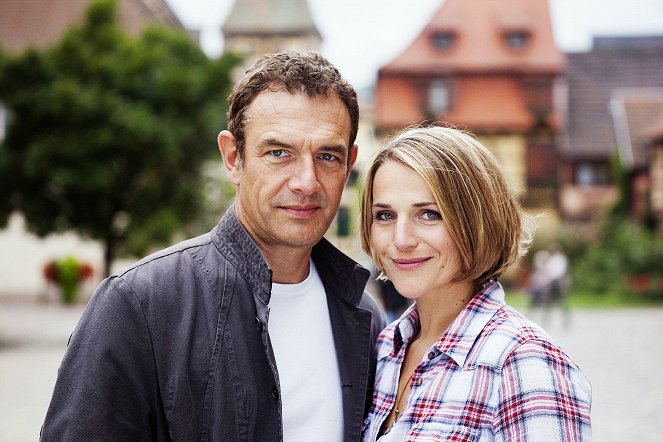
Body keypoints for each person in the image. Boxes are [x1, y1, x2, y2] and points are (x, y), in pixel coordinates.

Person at [41, 51, 385, 441]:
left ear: (349, 164)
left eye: (327, 156)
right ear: (233, 157)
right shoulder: (138, 304)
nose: (306, 182)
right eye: (278, 153)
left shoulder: (362, 316)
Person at [359, 126, 592, 440]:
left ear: (476, 222)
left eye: (429, 214)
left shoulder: (523, 363)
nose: (401, 240)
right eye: (385, 215)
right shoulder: (386, 347)